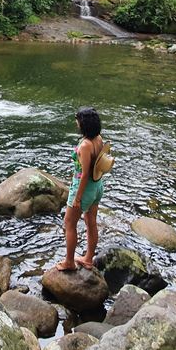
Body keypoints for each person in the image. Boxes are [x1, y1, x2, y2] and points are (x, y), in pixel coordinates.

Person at [56, 107, 107, 271]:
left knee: (69, 223)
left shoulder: (85, 145)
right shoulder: (98, 138)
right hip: (98, 185)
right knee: (91, 222)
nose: (76, 123)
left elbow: (84, 174)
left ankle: (69, 262)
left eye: (77, 120)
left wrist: (77, 198)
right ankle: (88, 259)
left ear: (83, 124)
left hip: (84, 188)